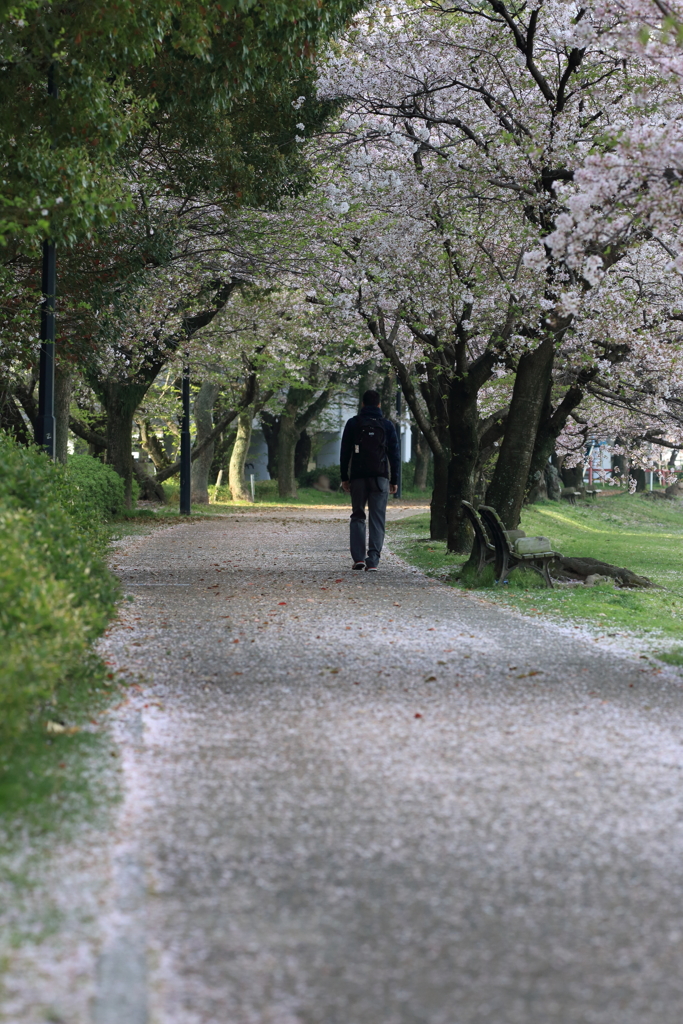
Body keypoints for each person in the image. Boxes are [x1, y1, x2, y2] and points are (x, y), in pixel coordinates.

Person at [340, 389, 400, 572]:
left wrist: (345, 477)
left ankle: (358, 558)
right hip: (380, 478)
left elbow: (345, 452)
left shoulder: (353, 423)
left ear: (363, 404)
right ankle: (373, 560)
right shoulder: (387, 425)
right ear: (379, 405)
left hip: (358, 477)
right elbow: (394, 454)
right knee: (377, 518)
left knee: (358, 515)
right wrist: (394, 479)